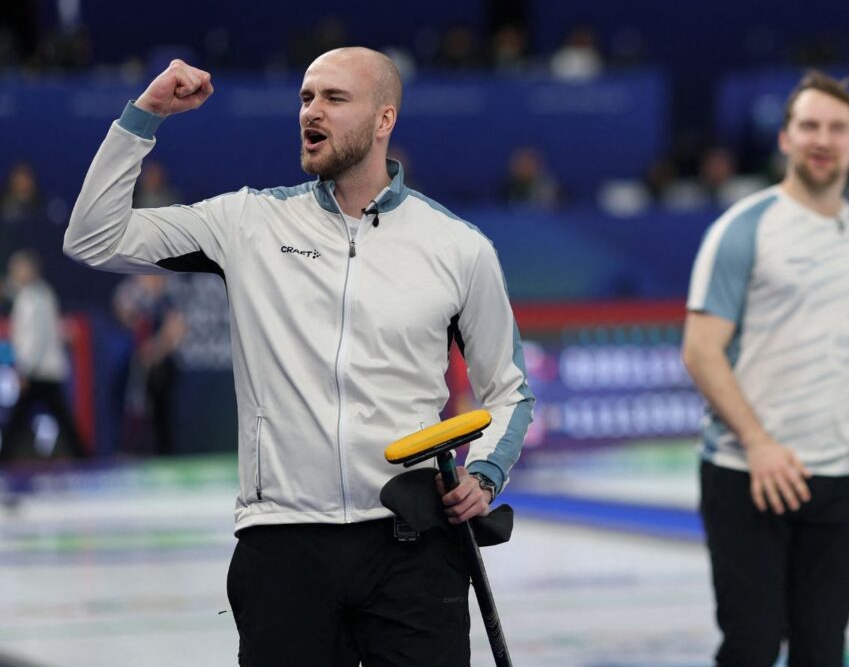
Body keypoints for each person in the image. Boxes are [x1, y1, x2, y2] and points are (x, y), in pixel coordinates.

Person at [63, 50, 535, 665]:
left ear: (384, 118)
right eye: (306, 98)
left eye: (334, 99)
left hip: (413, 545)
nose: (311, 112)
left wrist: (484, 475)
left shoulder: (459, 247)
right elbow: (92, 237)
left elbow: (509, 391)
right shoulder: (246, 222)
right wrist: (146, 114)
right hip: (282, 545)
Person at [682, 70, 849, 666]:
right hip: (745, 473)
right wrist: (758, 444)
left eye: (838, 128)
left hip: (837, 480)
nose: (823, 138)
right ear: (784, 138)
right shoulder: (744, 229)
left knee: (823, 652)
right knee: (751, 648)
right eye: (808, 124)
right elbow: (701, 351)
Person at [0, 250, 87, 461]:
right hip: (45, 370)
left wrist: (24, 370)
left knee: (21, 419)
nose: (15, 273)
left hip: (39, 371)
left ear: (30, 270)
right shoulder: (38, 293)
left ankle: (4, 458)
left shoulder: (32, 297)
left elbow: (34, 339)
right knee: (57, 417)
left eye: (18, 269)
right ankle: (83, 456)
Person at [112, 273, 186, 455]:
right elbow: (122, 314)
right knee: (132, 408)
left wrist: (156, 350)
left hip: (161, 362)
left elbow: (176, 328)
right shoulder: (134, 292)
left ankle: (164, 454)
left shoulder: (169, 295)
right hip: (136, 362)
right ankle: (131, 450)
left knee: (161, 413)